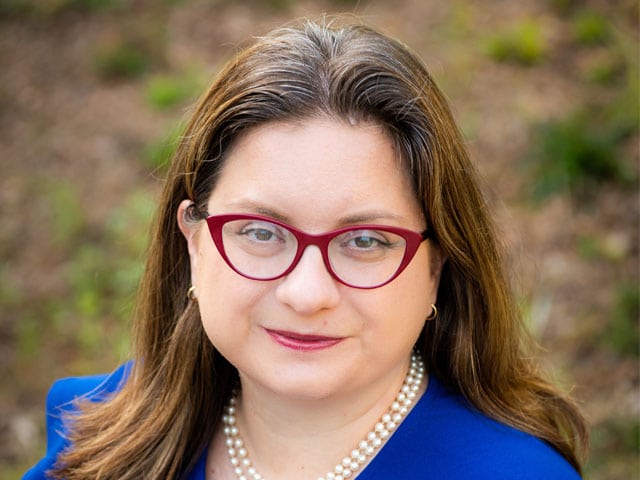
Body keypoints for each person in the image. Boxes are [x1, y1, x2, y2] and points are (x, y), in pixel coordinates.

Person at [24, 18, 588, 480]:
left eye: (365, 241)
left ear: (436, 266)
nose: (307, 293)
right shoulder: (94, 433)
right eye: (262, 232)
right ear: (195, 240)